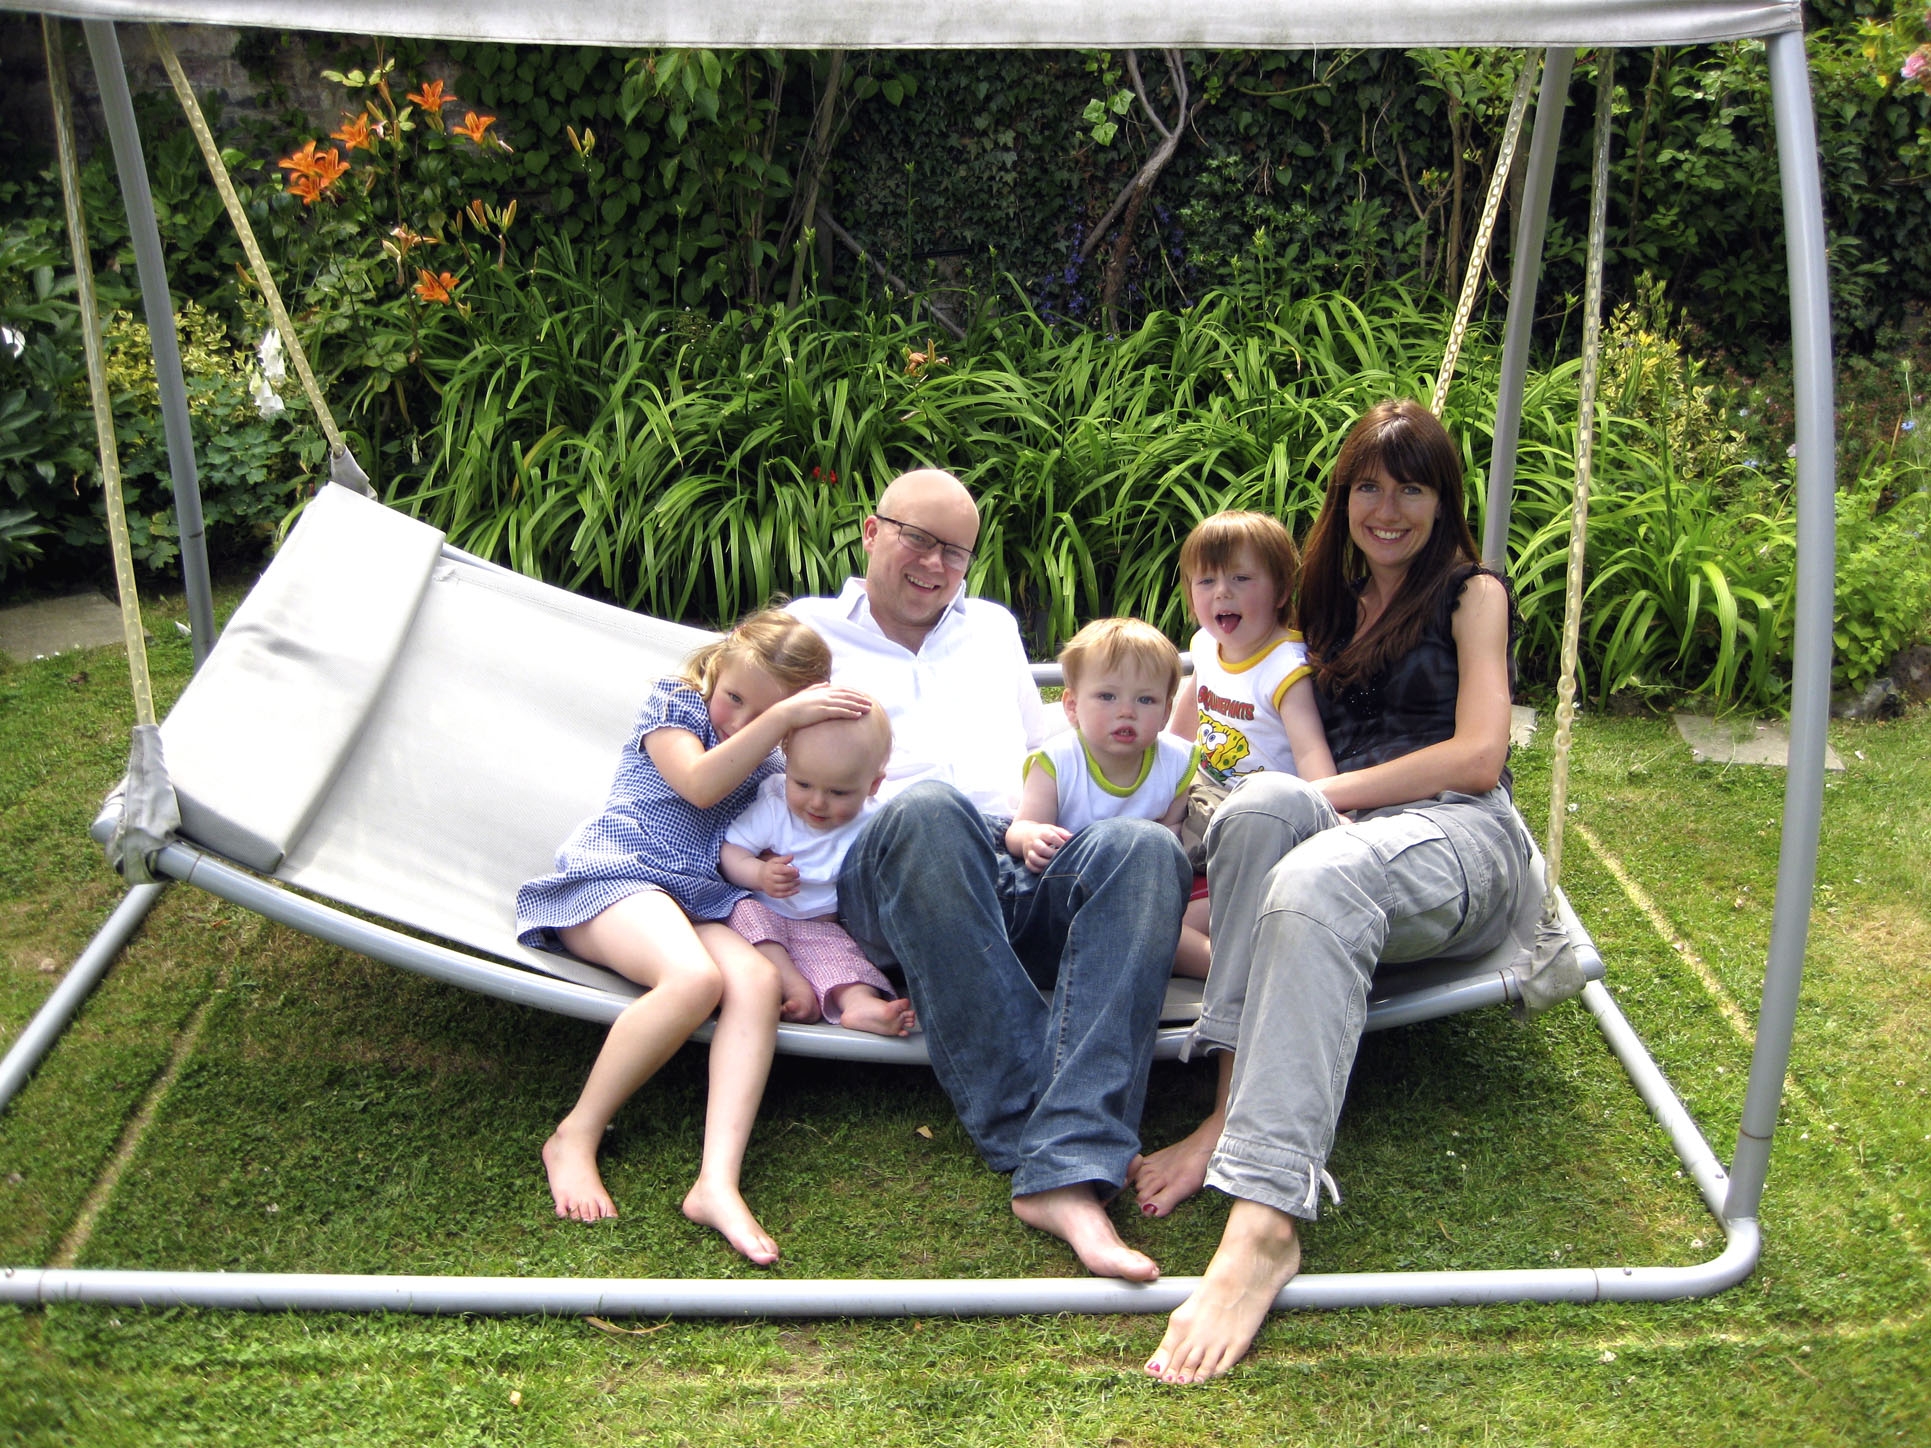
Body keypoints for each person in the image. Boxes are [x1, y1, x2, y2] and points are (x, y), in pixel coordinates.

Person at [1142, 399, 1531, 1382]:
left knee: (1312, 854)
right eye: (1367, 484)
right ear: (1342, 495)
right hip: (1344, 829)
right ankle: (1227, 1112)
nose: (1387, 506)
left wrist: (1324, 796)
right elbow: (1223, 654)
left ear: (1442, 497)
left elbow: (1479, 755)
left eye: (1411, 485)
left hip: (1453, 834)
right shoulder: (1324, 602)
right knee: (1258, 810)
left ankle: (1265, 1219)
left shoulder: (1469, 590)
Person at [788, 469, 1192, 1282]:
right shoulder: (805, 634)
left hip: (1013, 851)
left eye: (956, 553)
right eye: (918, 540)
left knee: (1143, 849)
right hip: (895, 868)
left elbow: (1034, 749)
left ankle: (1065, 1153)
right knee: (929, 808)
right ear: (871, 532)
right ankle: (1050, 1146)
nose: (935, 565)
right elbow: (745, 746)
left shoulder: (992, 629)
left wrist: (1057, 827)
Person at [514, 608, 872, 1263]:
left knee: (755, 982)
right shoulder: (676, 704)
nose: (738, 719)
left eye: (765, 712)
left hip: (698, 901)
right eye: (734, 697)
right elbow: (700, 784)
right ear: (720, 665)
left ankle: (716, 1182)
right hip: (618, 877)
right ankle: (575, 1133)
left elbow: (813, 815)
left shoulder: (773, 764)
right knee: (695, 980)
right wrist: (779, 720)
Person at [1164, 511, 1337, 977]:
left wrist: (1338, 818)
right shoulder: (1206, 644)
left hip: (1254, 828)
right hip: (1201, 800)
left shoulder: (1284, 667)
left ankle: (1240, 972)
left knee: (1164, 928)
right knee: (1141, 865)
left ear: (1281, 592)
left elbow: (1312, 755)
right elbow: (1185, 723)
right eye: (1206, 581)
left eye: (1241, 578)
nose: (1222, 592)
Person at [1004, 617, 1202, 965]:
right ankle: (1220, 968)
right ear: (1071, 706)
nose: (1126, 711)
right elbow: (1019, 828)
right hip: (1071, 891)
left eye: (1146, 700)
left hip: (1148, 887)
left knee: (1202, 901)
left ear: (1166, 711)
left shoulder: (1174, 762)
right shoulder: (1057, 762)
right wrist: (1032, 837)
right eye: (1107, 696)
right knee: (1161, 928)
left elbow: (1173, 830)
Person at [720, 705, 917, 1037]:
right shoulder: (775, 807)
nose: (817, 802)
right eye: (803, 783)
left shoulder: (873, 822)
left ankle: (859, 1004)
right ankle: (795, 988)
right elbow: (731, 851)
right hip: (767, 911)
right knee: (744, 915)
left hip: (823, 927)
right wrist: (758, 874)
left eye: (838, 792)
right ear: (788, 767)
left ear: (873, 784)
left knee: (844, 962)